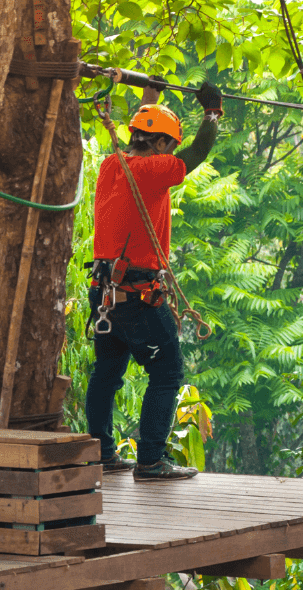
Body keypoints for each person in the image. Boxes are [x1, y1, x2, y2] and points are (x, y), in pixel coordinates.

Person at [86, 81, 223, 480]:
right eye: (168, 144)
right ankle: (150, 459)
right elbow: (197, 152)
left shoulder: (113, 164)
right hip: (136, 295)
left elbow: (139, 137)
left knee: (107, 371)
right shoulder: (155, 169)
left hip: (104, 291)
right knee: (167, 372)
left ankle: (101, 454)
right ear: (163, 144)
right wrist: (213, 112)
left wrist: (150, 98)